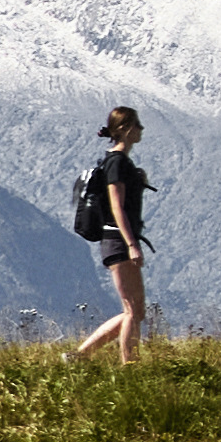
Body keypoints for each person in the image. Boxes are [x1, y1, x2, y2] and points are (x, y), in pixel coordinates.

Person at [66, 100, 156, 354]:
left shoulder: (119, 163)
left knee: (134, 310)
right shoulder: (116, 163)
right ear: (126, 128)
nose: (141, 129)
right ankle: (129, 366)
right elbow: (117, 208)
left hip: (115, 241)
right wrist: (131, 245)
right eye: (137, 124)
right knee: (133, 310)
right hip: (118, 241)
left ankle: (80, 356)